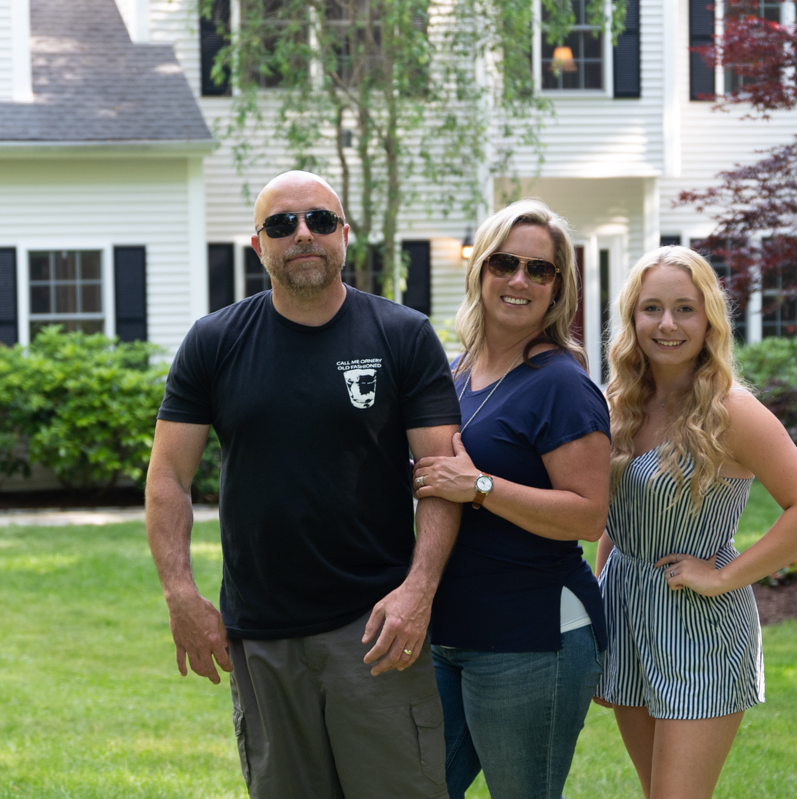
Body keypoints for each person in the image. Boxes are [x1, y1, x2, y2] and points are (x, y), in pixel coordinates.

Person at [145, 170, 462, 799]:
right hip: (261, 633)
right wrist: (181, 594)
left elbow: (440, 478)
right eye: (281, 224)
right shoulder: (214, 343)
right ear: (258, 246)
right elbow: (168, 478)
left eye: (319, 220)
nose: (303, 235)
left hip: (376, 627)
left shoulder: (402, 335)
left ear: (344, 234)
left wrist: (418, 592)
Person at [596, 246, 797, 799]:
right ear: (632, 318)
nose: (667, 324)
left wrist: (725, 576)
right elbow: (619, 520)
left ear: (709, 319)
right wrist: (602, 617)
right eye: (651, 308)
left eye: (685, 308)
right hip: (628, 616)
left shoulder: (731, 410)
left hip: (699, 626)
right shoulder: (619, 404)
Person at [411, 199, 610, 799]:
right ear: (480, 272)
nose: (519, 280)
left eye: (539, 270)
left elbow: (586, 512)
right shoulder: (457, 372)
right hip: (449, 633)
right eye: (504, 263)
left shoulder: (562, 385)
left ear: (558, 288)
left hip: (532, 637)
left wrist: (479, 487)